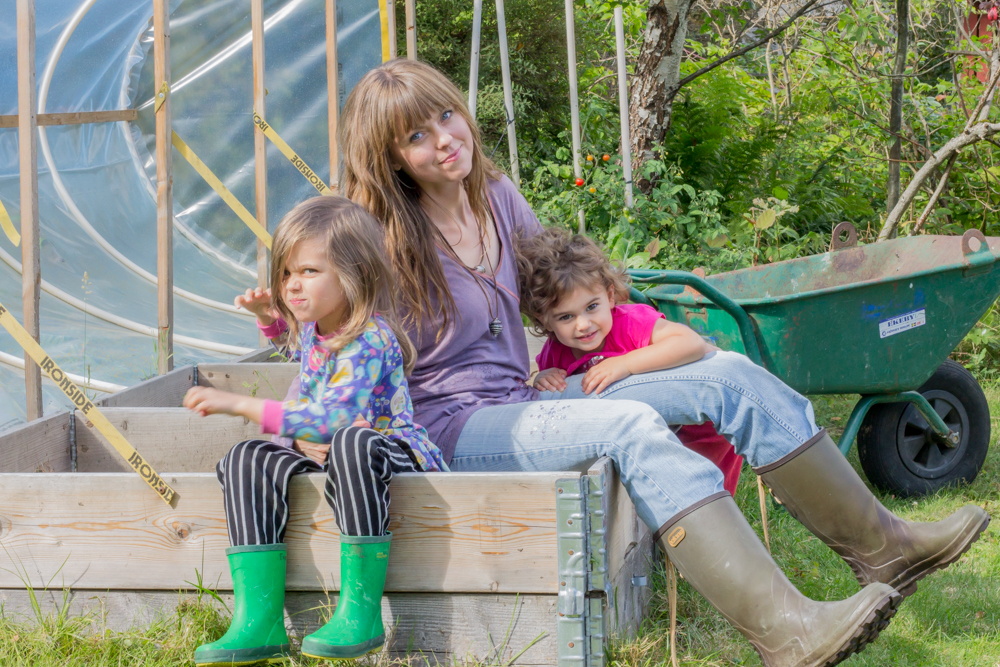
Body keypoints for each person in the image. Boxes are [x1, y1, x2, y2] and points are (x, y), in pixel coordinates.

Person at [339, 58, 989, 667]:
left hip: (526, 397)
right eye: (416, 136)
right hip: (452, 425)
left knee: (727, 374)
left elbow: (555, 288)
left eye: (446, 116)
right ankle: (787, 631)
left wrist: (632, 325)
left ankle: (884, 548)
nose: (444, 139)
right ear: (390, 158)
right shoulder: (384, 238)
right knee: (629, 426)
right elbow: (328, 325)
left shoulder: (497, 198)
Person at [183, 196, 446, 665]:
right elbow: (305, 363)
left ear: (354, 274)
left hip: (392, 451)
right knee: (248, 458)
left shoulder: (370, 337)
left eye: (308, 272)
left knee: (352, 439)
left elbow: (334, 419)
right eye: (285, 273)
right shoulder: (315, 327)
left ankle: (360, 611)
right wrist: (269, 321)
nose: (291, 286)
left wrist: (242, 403)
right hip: (333, 453)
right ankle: (257, 619)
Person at [518, 226, 743, 495]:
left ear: (610, 296)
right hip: (645, 435)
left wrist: (625, 364)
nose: (583, 324)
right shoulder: (556, 350)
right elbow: (550, 386)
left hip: (699, 429)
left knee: (703, 495)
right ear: (545, 320)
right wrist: (543, 378)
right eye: (566, 317)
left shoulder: (630, 324)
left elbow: (692, 343)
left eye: (592, 307)